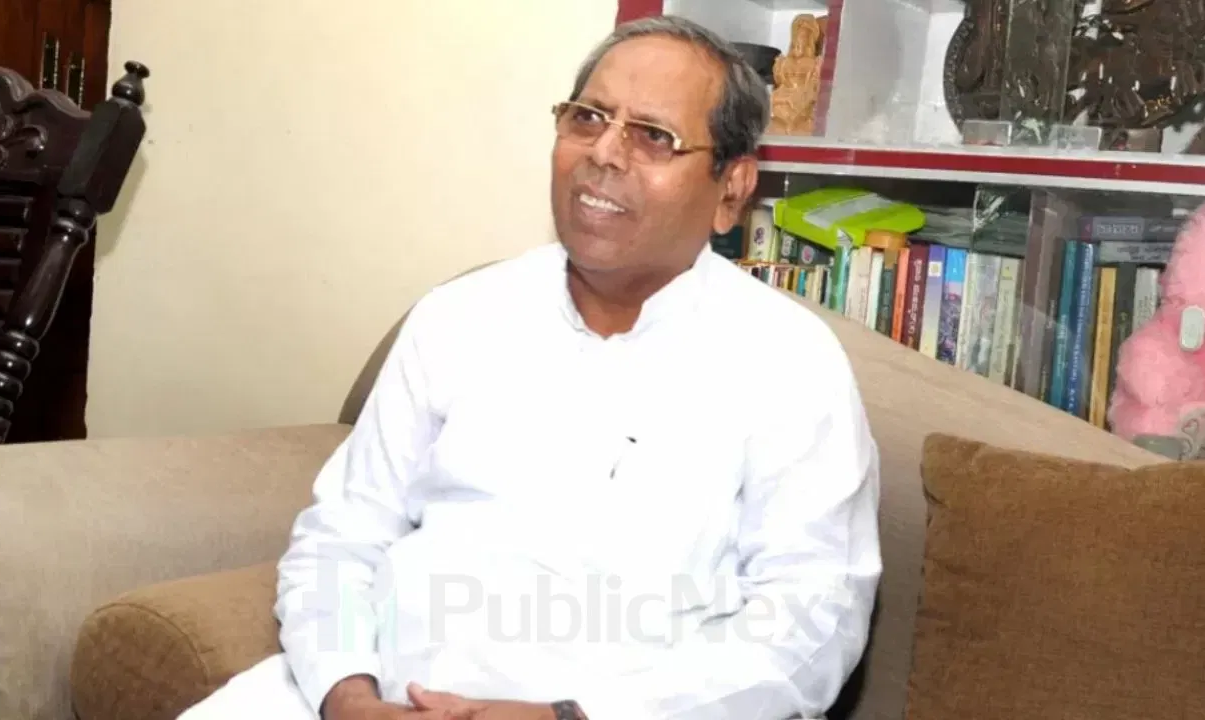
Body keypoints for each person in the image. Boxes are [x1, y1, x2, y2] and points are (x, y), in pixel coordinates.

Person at [179, 14, 881, 720]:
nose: (603, 152)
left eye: (652, 136)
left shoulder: (789, 363)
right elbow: (341, 538)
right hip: (374, 695)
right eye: (588, 118)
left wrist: (568, 717)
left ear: (731, 188)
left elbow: (811, 626)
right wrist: (347, 694)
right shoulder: (460, 315)